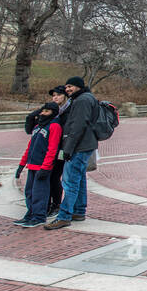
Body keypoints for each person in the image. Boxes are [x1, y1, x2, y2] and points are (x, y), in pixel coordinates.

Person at [45, 77, 100, 230]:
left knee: (70, 181)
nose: (68, 89)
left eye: (70, 86)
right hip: (85, 144)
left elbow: (77, 126)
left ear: (78, 87)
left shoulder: (82, 100)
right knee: (79, 178)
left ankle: (64, 216)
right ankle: (79, 211)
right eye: (66, 86)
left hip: (79, 146)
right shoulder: (85, 98)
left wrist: (68, 149)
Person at [14, 102, 62, 227]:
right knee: (29, 192)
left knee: (40, 192)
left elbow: (52, 149)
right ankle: (30, 213)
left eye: (46, 112)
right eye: (42, 111)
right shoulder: (37, 127)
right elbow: (30, 147)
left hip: (43, 166)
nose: (42, 114)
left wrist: (46, 167)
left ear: (53, 113)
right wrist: (21, 164)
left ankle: (39, 216)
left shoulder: (54, 126)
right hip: (32, 165)